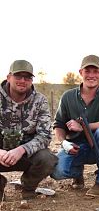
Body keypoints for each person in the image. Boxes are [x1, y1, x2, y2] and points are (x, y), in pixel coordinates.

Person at [51, 55, 99, 197]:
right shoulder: (67, 97)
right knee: (57, 172)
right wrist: (64, 143)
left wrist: (84, 126)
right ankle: (77, 172)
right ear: (81, 72)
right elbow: (58, 124)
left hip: (97, 147)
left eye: (95, 71)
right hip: (75, 147)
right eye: (87, 71)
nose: (91, 75)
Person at [0, 60, 58, 200]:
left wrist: (21, 150)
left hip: (25, 154)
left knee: (48, 159)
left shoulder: (40, 101)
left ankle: (28, 187)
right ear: (9, 77)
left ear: (31, 80)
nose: (22, 80)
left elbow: (44, 136)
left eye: (27, 77)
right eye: (18, 76)